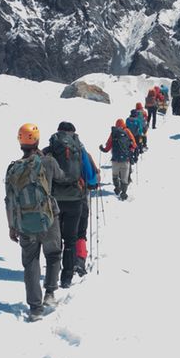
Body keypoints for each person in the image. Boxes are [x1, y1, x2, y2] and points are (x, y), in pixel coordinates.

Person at [4, 123, 66, 320]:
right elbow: (62, 178)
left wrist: (12, 226)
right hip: (49, 218)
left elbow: (9, 200)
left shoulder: (13, 168)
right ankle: (49, 293)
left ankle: (35, 309)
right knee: (54, 253)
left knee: (31, 262)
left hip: (24, 223)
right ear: (38, 140)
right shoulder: (48, 162)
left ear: (20, 142)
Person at [43, 121, 87, 289]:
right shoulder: (79, 149)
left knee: (56, 239)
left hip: (55, 201)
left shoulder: (50, 149)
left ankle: (54, 270)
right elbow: (89, 174)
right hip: (75, 199)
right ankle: (66, 278)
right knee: (71, 238)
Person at [75, 147, 100, 276]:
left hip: (56, 200)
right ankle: (79, 260)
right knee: (80, 231)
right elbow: (91, 179)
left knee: (63, 233)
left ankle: (63, 265)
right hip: (79, 197)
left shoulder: (51, 149)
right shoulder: (81, 151)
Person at [100, 118, 136, 200]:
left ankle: (117, 187)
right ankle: (124, 193)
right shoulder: (127, 131)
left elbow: (108, 146)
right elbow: (134, 144)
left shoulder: (114, 132)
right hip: (126, 160)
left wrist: (103, 149)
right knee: (124, 177)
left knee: (115, 175)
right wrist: (130, 150)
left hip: (115, 159)